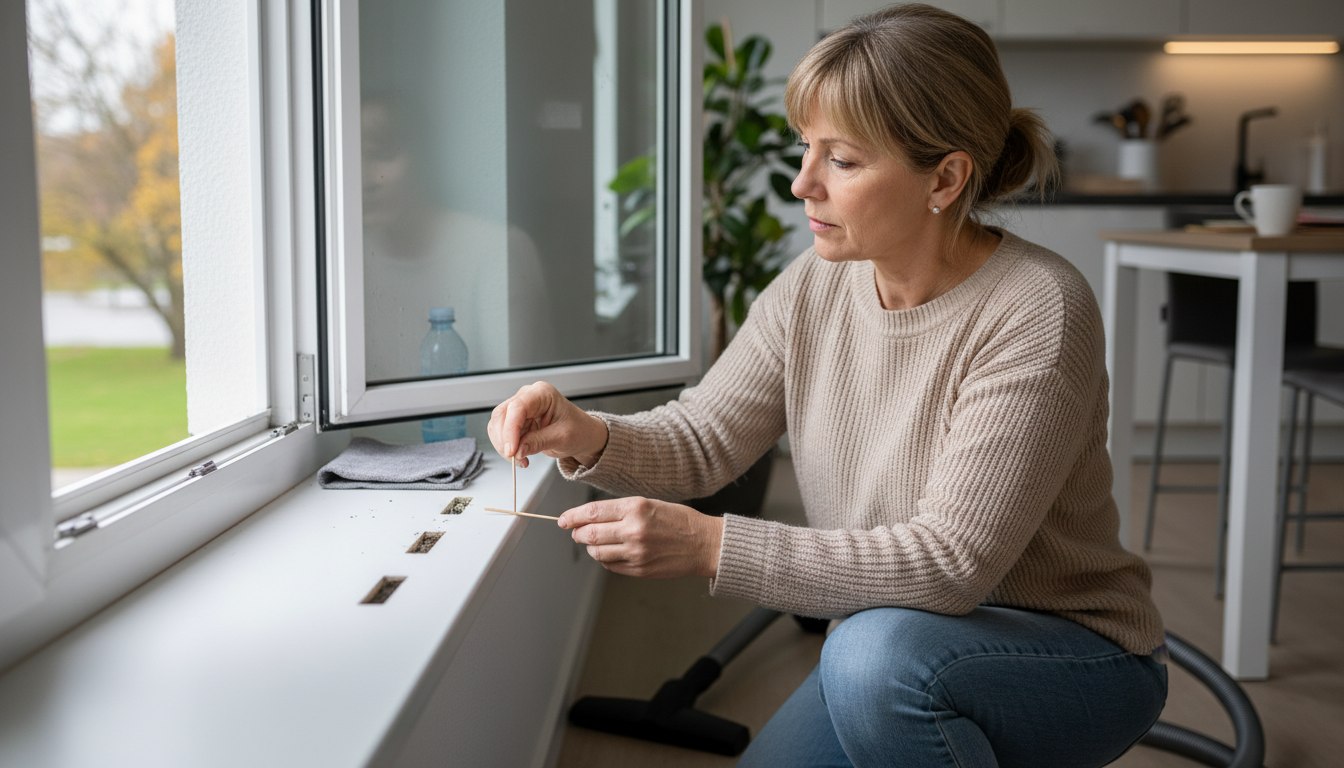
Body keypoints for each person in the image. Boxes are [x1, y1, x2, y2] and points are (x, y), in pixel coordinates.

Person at [487, 4, 1166, 766]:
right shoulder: (814, 284)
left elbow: (950, 565)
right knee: (868, 662)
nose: (800, 183)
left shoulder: (1037, 306)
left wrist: (712, 545)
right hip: (890, 641)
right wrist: (586, 433)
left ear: (944, 177)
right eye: (805, 148)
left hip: (1066, 653)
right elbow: (705, 438)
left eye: (840, 160)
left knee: (873, 662)